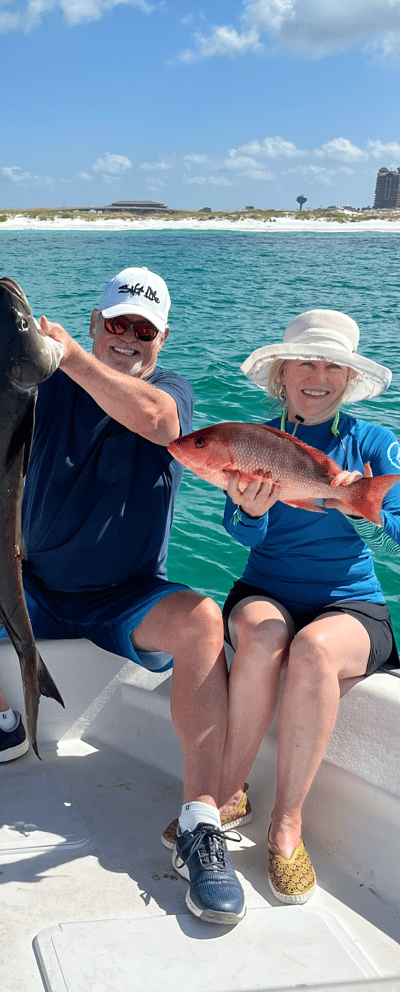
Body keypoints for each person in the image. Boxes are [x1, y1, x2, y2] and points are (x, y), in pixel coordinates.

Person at [0, 267, 245, 925]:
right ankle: (0, 722)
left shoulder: (171, 393)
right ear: (96, 322)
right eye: (116, 323)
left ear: (161, 339)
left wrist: (74, 358)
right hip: (36, 584)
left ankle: (201, 823)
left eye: (142, 330)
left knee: (204, 620)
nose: (127, 338)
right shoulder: (48, 383)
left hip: (127, 595)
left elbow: (156, 422)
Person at [215, 309, 400, 905]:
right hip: (265, 589)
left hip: (351, 602)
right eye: (305, 363)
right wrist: (250, 508)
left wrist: (358, 510)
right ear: (282, 372)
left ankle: (286, 826)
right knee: (267, 639)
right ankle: (227, 792)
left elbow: (397, 528)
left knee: (315, 650)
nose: (317, 376)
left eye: (332, 366)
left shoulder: (374, 444)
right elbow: (241, 535)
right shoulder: (254, 440)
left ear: (347, 378)